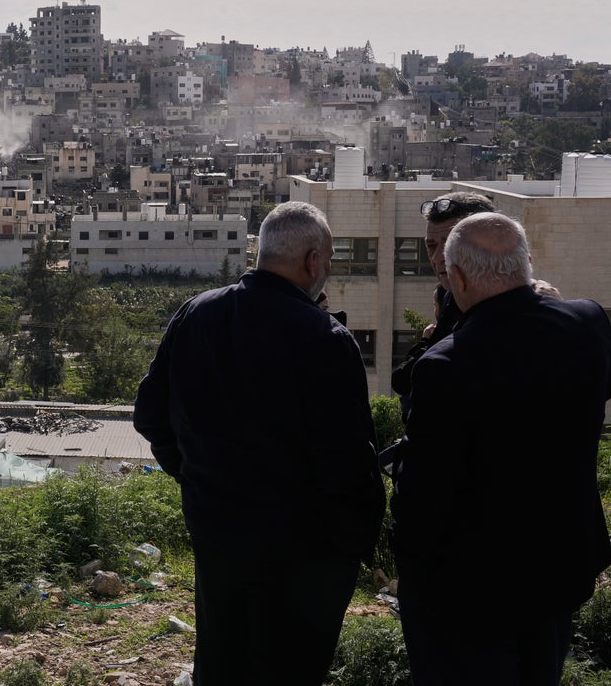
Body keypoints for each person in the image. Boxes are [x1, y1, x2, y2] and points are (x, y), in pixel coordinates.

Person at [133, 201, 385, 686]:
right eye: (328, 261)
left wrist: (192, 473)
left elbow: (150, 415)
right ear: (314, 261)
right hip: (302, 550)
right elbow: (350, 461)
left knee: (222, 657)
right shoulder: (325, 338)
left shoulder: (197, 314)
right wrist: (354, 543)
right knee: (290, 665)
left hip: (217, 530)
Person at [391, 213, 611, 685]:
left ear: (460, 278)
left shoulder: (446, 364)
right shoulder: (588, 323)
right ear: (527, 265)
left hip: (468, 589)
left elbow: (425, 493)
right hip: (559, 567)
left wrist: (408, 567)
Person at [390, 191, 494, 405]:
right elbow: (406, 380)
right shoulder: (447, 296)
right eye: (431, 246)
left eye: (449, 245)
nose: (438, 258)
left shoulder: (515, 306)